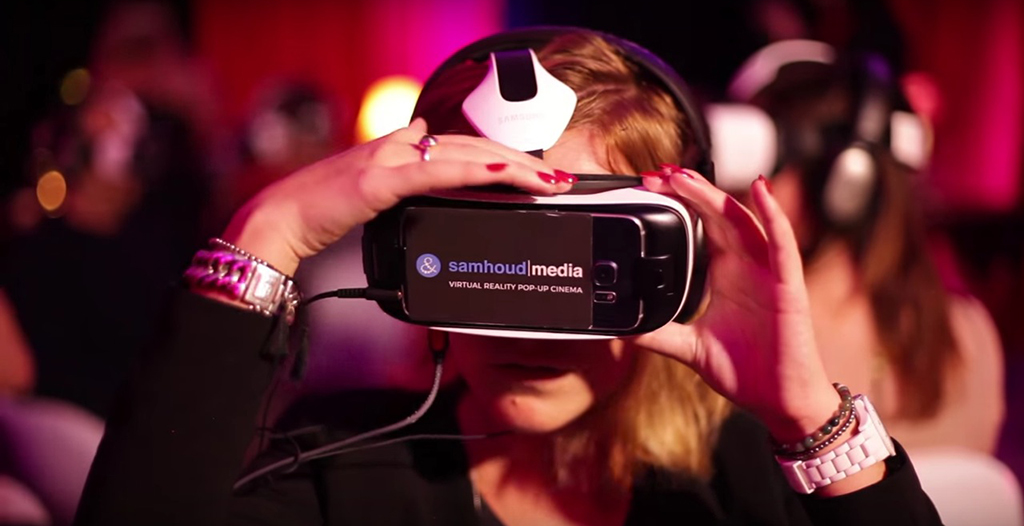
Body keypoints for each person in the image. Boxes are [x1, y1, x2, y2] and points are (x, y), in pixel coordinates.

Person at [72, 28, 942, 525]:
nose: (527, 322)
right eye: (494, 254)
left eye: (588, 258)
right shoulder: (349, 469)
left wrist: (812, 421)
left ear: (676, 264)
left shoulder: (746, 476)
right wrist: (270, 231)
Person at [712, 39, 1005, 455]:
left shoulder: (746, 333)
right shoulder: (968, 333)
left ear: (845, 183)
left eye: (774, 159)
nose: (741, 187)